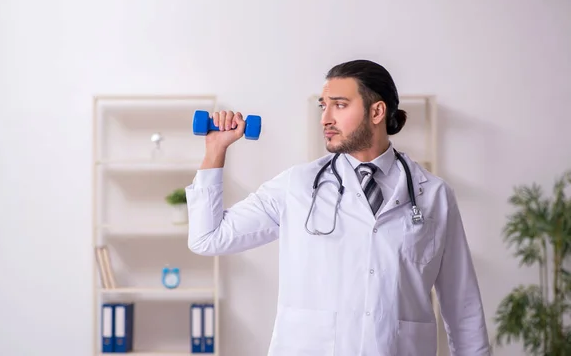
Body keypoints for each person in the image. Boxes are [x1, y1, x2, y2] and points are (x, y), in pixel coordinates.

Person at [185, 59, 490, 356]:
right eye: (323, 106)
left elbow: (463, 308)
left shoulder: (434, 195)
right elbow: (208, 238)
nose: (325, 118)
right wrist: (215, 150)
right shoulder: (297, 186)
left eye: (340, 105)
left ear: (377, 111)